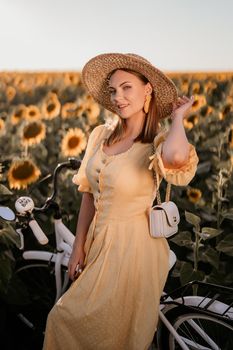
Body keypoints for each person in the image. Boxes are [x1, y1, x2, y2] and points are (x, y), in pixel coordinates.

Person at [42, 52, 199, 350]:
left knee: (69, 322)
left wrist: (178, 117)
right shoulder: (101, 135)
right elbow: (89, 193)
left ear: (147, 90)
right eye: (113, 90)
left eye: (127, 87)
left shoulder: (156, 142)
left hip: (133, 250)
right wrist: (78, 246)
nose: (119, 97)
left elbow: (178, 158)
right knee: (84, 326)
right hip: (98, 243)